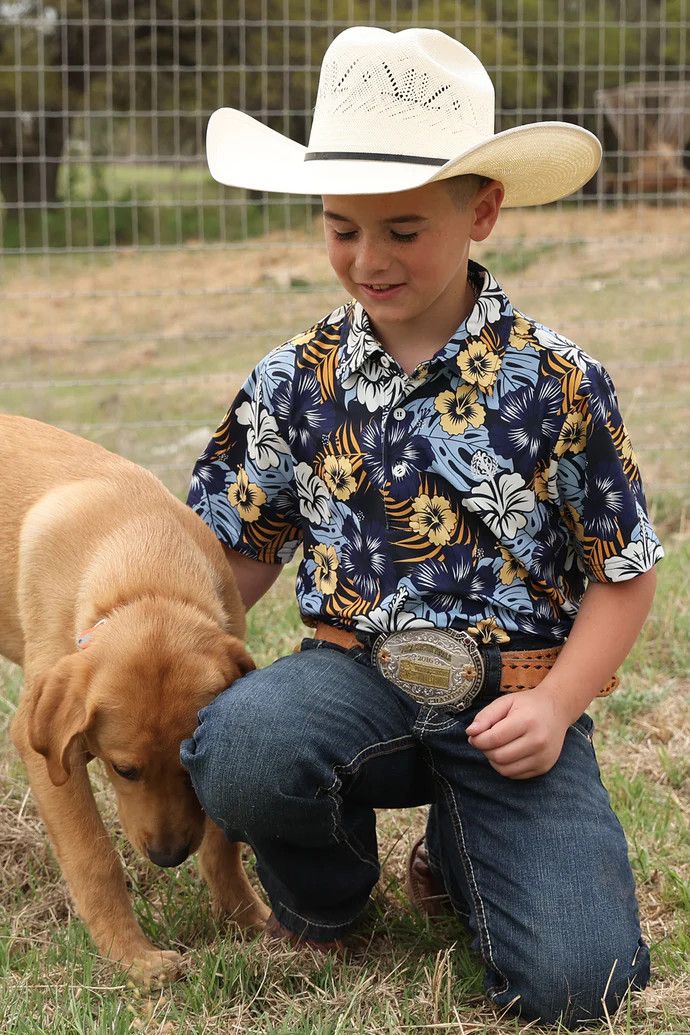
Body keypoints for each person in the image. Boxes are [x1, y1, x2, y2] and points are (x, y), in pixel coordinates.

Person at [180, 26, 662, 1026]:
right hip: (350, 679)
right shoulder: (291, 381)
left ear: (482, 209)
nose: (368, 259)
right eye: (341, 228)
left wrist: (559, 707)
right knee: (242, 743)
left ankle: (460, 845)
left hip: (512, 704)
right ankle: (329, 894)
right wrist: (148, 620)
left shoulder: (559, 381)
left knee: (581, 984)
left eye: (403, 229)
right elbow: (235, 549)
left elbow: (624, 571)